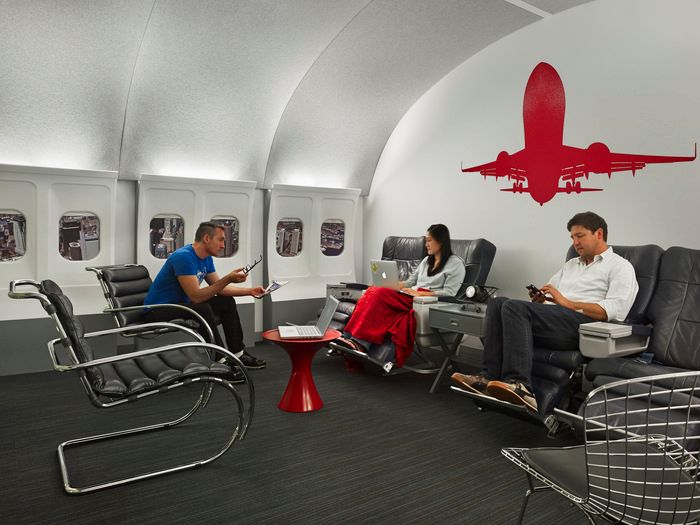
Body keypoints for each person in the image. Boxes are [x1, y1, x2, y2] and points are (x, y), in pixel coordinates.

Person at [451, 211, 638, 412]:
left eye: (580, 236)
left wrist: (567, 302)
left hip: (583, 326)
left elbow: (614, 311)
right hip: (555, 320)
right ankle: (487, 377)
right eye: (572, 237)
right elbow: (551, 292)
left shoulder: (620, 267)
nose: (575, 242)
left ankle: (521, 386)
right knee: (498, 304)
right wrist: (541, 299)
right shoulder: (571, 264)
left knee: (514, 307)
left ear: (599, 234)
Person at [333, 224, 466, 368]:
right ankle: (348, 337)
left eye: (429, 240)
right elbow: (409, 282)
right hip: (409, 295)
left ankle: (360, 343)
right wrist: (388, 284)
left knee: (378, 294)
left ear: (441, 241)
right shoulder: (426, 261)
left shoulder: (456, 264)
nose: (426, 244)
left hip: (423, 301)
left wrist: (420, 293)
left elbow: (450, 293)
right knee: (374, 290)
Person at [144, 221, 266, 374]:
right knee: (201, 308)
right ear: (207, 238)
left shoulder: (206, 258)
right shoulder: (184, 257)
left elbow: (220, 288)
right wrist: (228, 278)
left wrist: (250, 291)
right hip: (157, 310)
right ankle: (220, 361)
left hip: (180, 305)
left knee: (225, 302)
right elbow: (196, 297)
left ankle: (238, 354)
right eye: (220, 239)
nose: (223, 245)